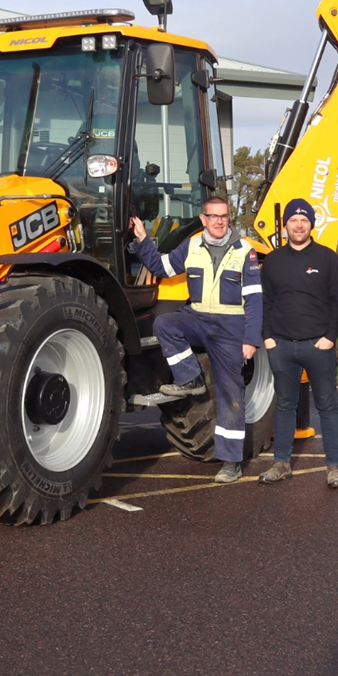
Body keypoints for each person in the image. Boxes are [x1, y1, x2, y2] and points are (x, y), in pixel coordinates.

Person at [130, 196, 261, 483]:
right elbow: (161, 268)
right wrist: (142, 240)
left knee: (231, 395)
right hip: (199, 320)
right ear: (203, 219)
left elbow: (254, 300)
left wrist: (251, 339)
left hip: (230, 327)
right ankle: (190, 377)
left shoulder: (244, 251)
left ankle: (230, 462)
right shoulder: (191, 246)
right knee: (165, 323)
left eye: (224, 216)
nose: (219, 221)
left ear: (229, 219)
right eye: (213, 216)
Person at [258, 199, 338, 488]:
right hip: (281, 346)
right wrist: (268, 338)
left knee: (328, 406)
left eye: (304, 220)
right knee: (284, 406)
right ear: (285, 225)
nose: (299, 225)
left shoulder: (327, 258)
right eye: (293, 220)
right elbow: (266, 302)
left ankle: (334, 467)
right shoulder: (273, 260)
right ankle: (281, 463)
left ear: (311, 224)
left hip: (317, 346)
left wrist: (330, 337)